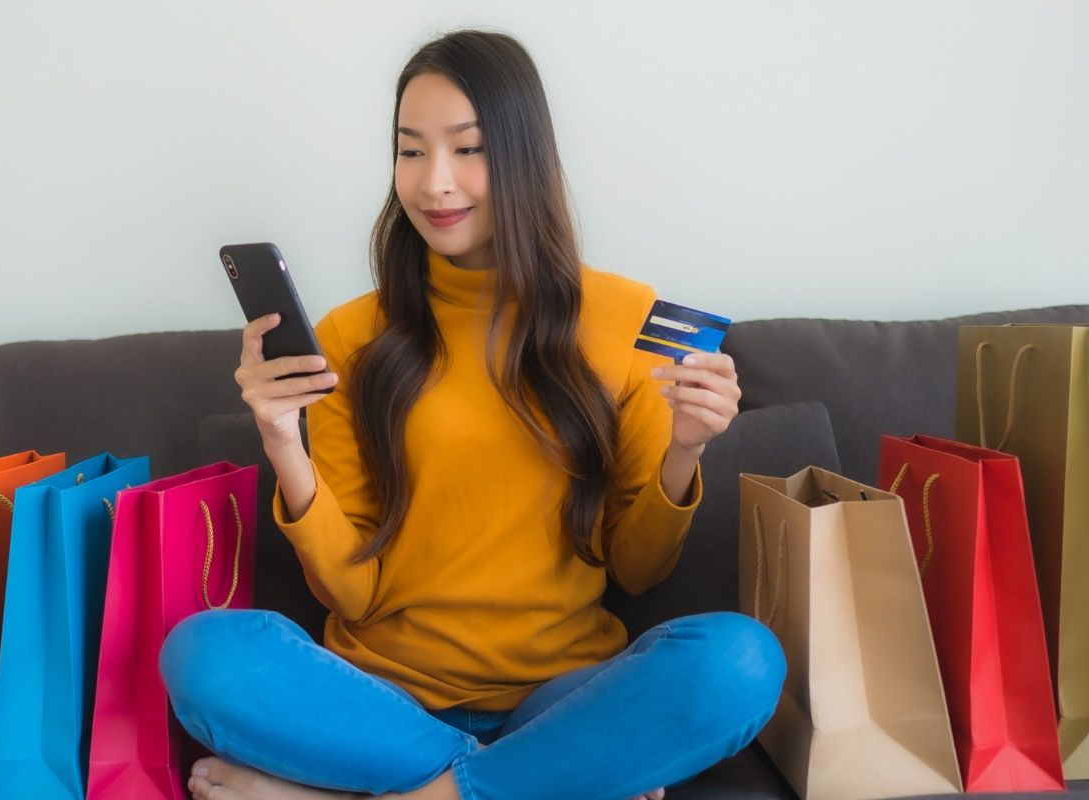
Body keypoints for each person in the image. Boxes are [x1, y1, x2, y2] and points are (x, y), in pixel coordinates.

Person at [160, 29, 785, 800]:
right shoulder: (356, 335)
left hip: (560, 698)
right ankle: (543, 785)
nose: (435, 184)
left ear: (523, 156)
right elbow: (353, 595)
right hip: (380, 701)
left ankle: (392, 794)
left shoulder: (628, 319)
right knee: (203, 656)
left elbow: (638, 568)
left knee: (742, 663)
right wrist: (282, 440)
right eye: (411, 151)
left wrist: (684, 452)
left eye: (468, 149)